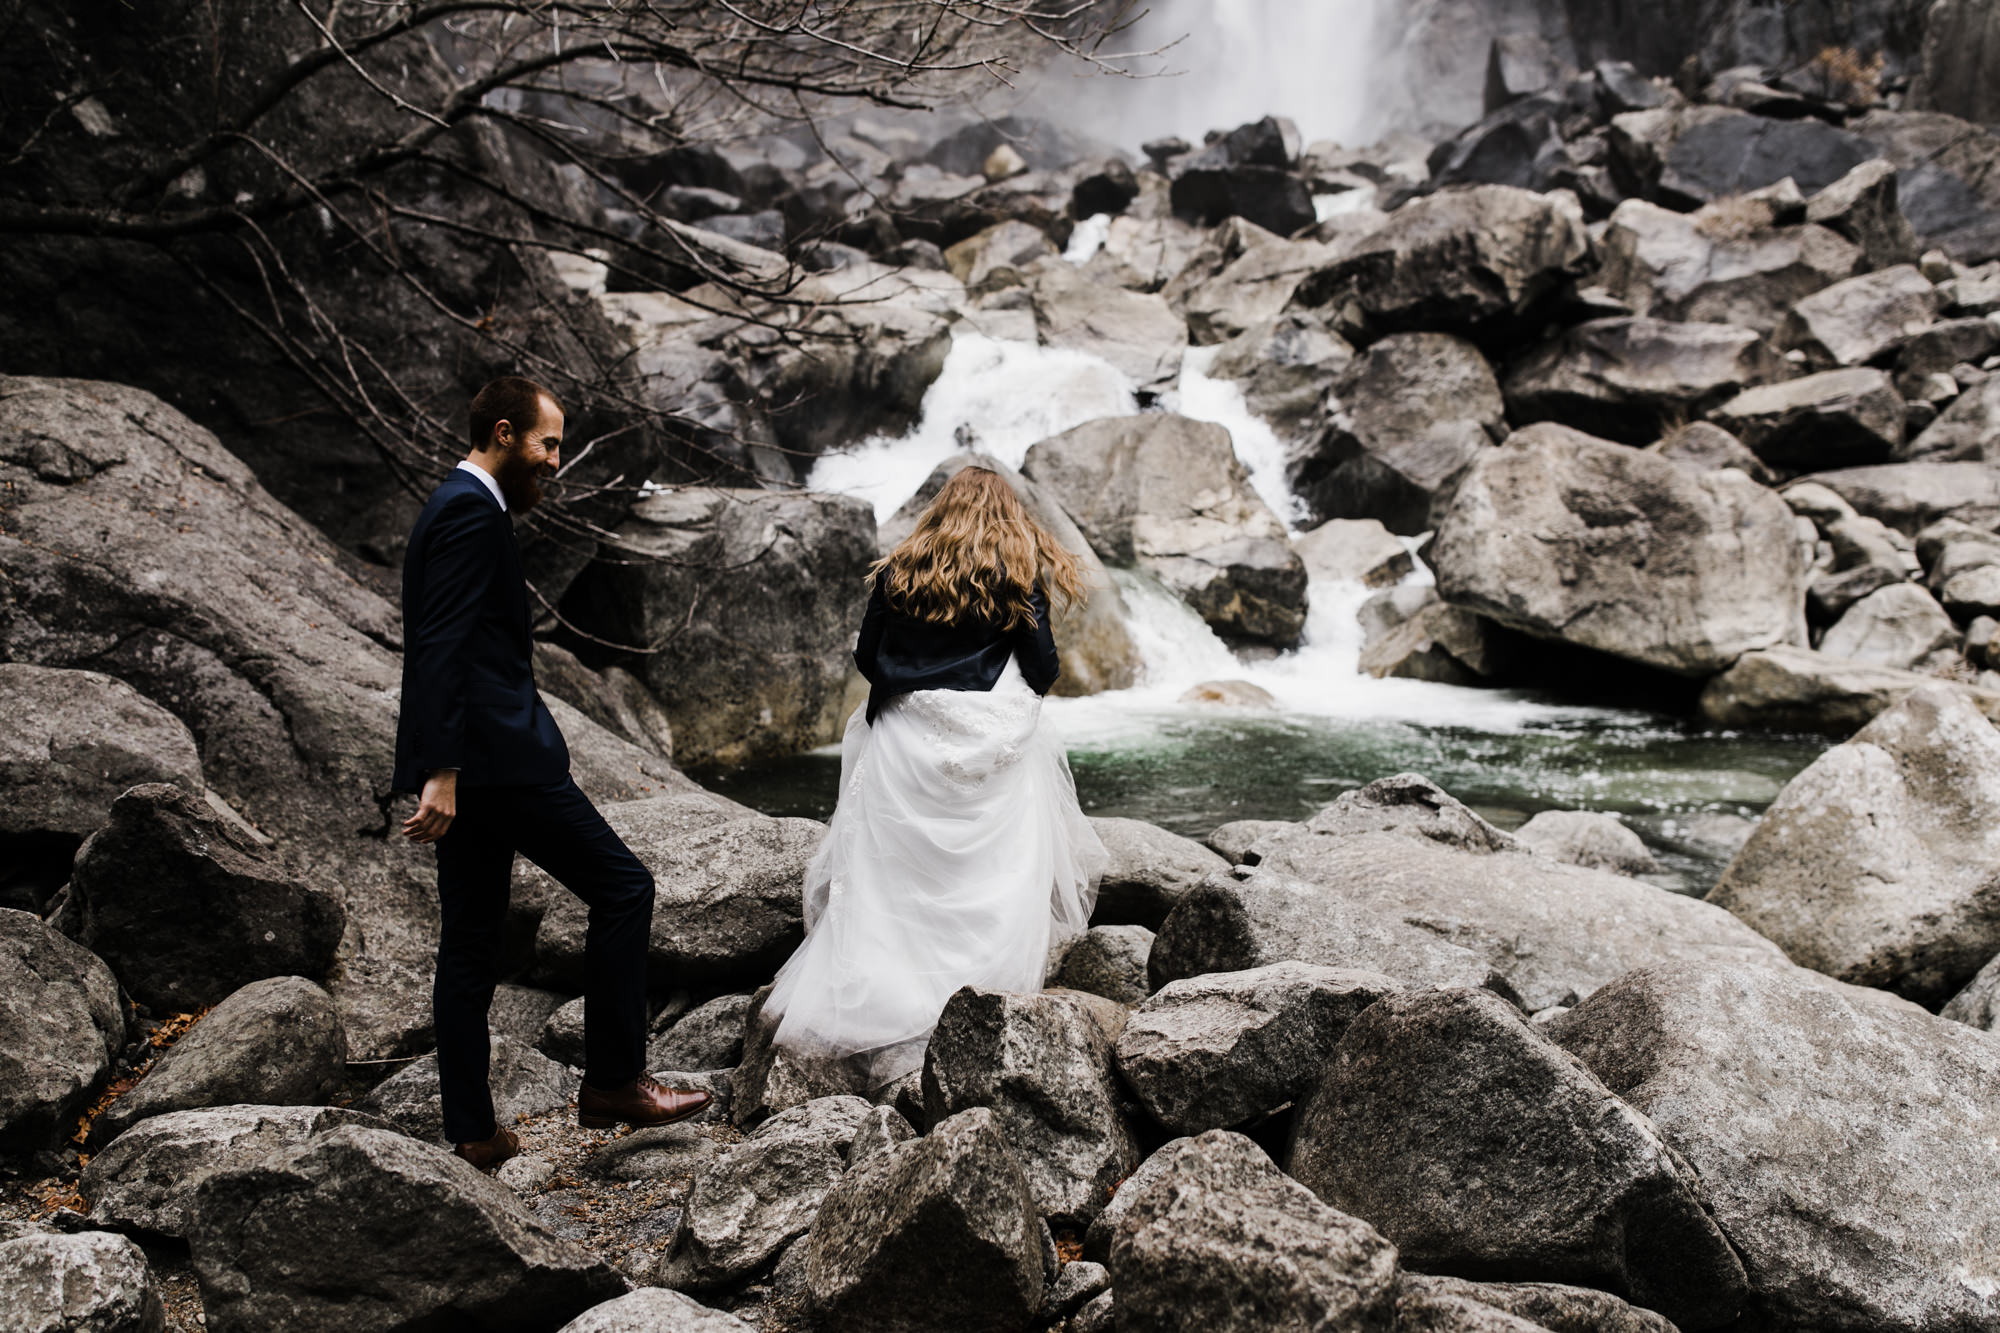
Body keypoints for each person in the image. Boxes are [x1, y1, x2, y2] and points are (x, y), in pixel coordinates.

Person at [392, 375, 709, 1170]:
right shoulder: (469, 511)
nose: (555, 461)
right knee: (624, 886)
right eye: (548, 444)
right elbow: (443, 647)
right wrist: (443, 769)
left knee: (468, 943)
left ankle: (473, 1131)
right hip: (496, 763)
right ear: (504, 433)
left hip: (478, 763)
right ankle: (613, 1081)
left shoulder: (453, 504)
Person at [759, 465, 1107, 1092]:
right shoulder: (1015, 577)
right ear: (1009, 518)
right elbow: (1044, 667)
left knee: (895, 873)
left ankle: (886, 998)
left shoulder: (899, 571)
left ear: (940, 511)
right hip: (989, 745)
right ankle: (974, 999)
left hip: (904, 743)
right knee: (989, 872)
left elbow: (868, 658)